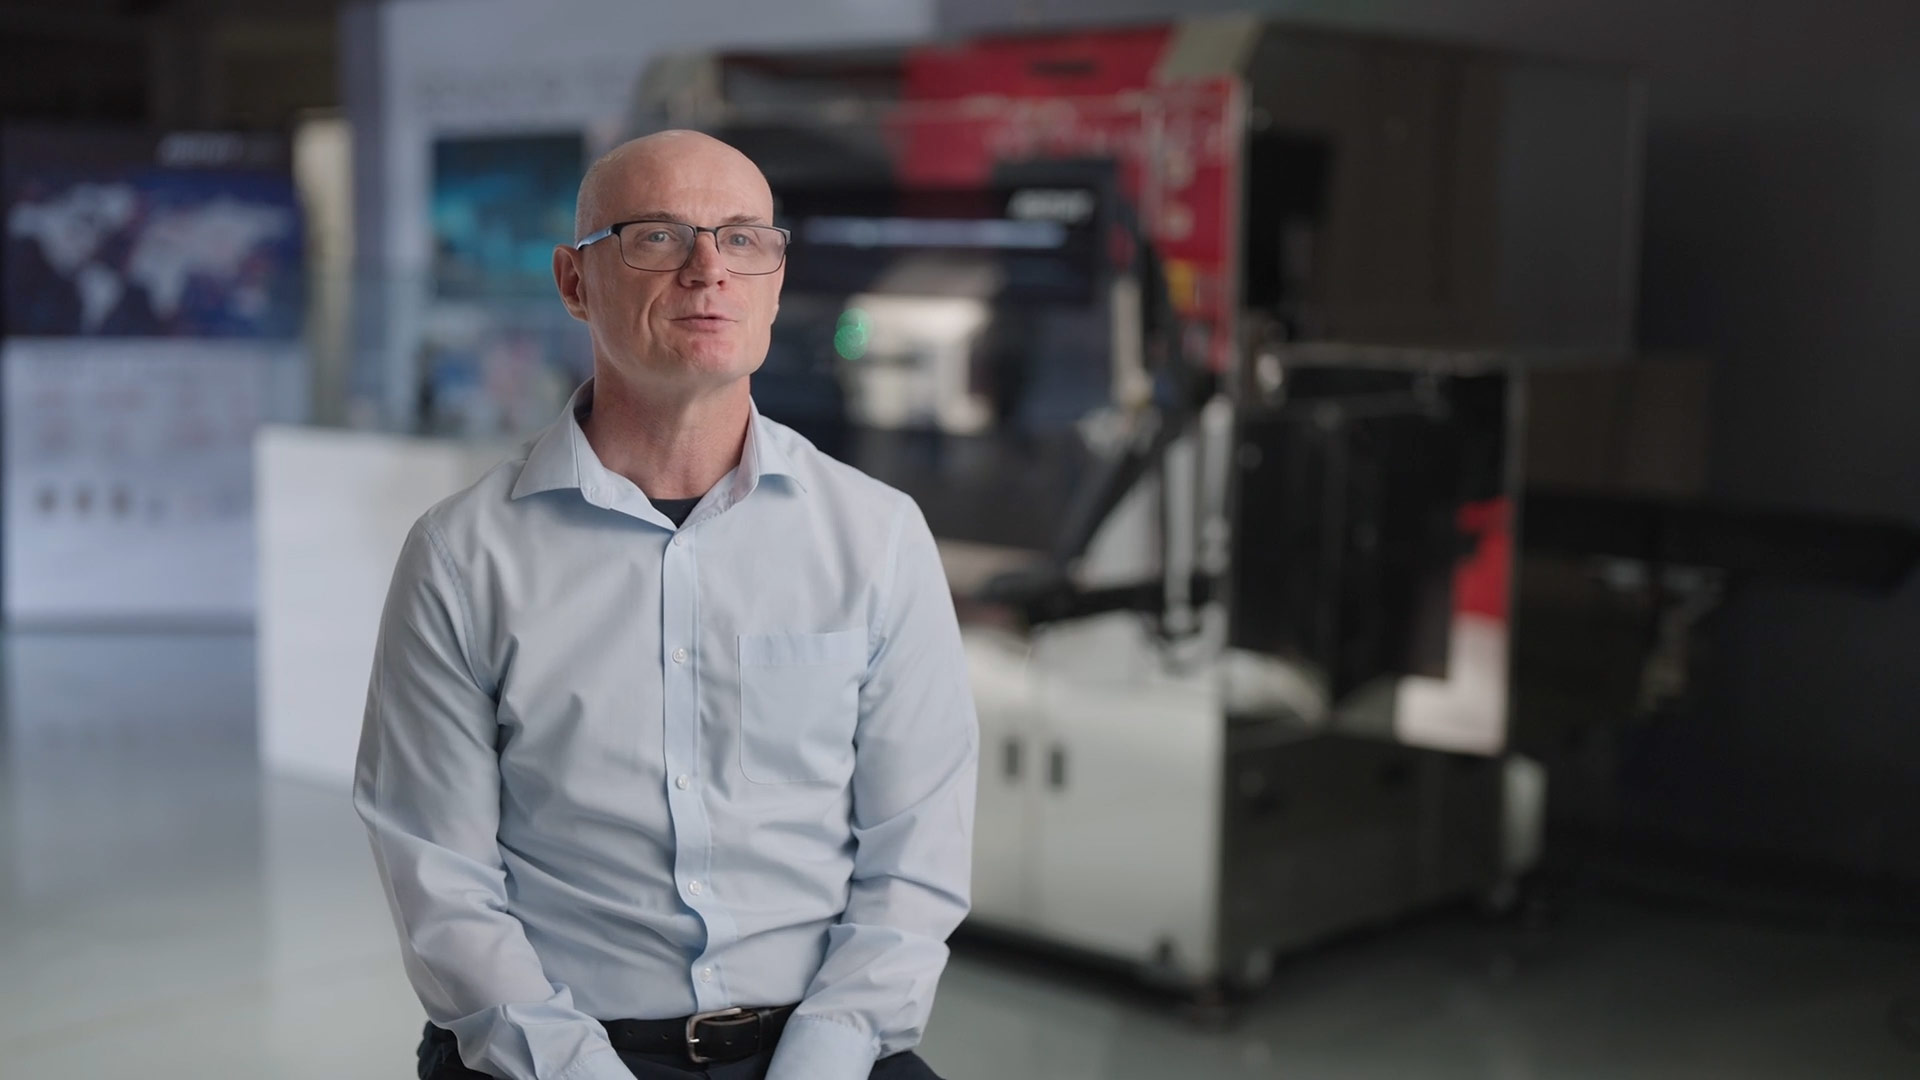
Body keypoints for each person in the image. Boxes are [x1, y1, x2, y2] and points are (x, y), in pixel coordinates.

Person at [354, 130, 978, 1080]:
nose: (708, 270)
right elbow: (441, 883)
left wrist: (825, 1055)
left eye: (743, 239)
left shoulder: (877, 537)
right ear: (574, 283)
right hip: (547, 1054)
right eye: (657, 236)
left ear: (774, 281)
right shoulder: (462, 556)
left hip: (825, 1047)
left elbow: (917, 856)